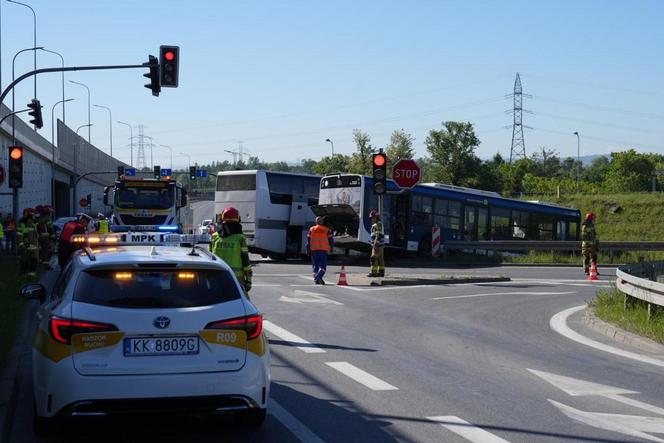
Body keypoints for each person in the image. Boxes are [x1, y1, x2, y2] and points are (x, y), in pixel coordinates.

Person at [211, 207, 253, 294]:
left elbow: (210, 258)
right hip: (236, 279)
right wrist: (248, 280)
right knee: (243, 304)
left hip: (217, 278)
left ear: (222, 219)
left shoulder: (214, 237)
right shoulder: (240, 238)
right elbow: (246, 262)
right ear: (238, 220)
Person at [307, 216, 334, 284]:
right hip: (323, 250)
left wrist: (308, 249)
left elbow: (308, 240)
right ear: (322, 222)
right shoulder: (326, 230)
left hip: (314, 249)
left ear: (316, 222)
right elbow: (331, 241)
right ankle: (319, 276)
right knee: (323, 266)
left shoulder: (311, 229)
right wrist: (331, 248)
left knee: (315, 265)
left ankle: (316, 279)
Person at [17, 208, 39, 280]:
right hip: (26, 248)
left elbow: (35, 236)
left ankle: (30, 277)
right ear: (30, 215)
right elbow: (20, 235)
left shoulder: (33, 224)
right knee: (25, 262)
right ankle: (24, 277)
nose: (34, 216)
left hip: (33, 248)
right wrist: (22, 244)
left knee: (33, 263)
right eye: (33, 215)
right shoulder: (23, 224)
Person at [367, 209, 385, 277]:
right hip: (379, 245)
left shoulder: (378, 224)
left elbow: (378, 235)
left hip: (377, 245)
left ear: (376, 217)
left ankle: (374, 273)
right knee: (380, 259)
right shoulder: (377, 224)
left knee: (373, 258)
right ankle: (381, 272)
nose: (371, 219)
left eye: (372, 217)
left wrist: (375, 244)